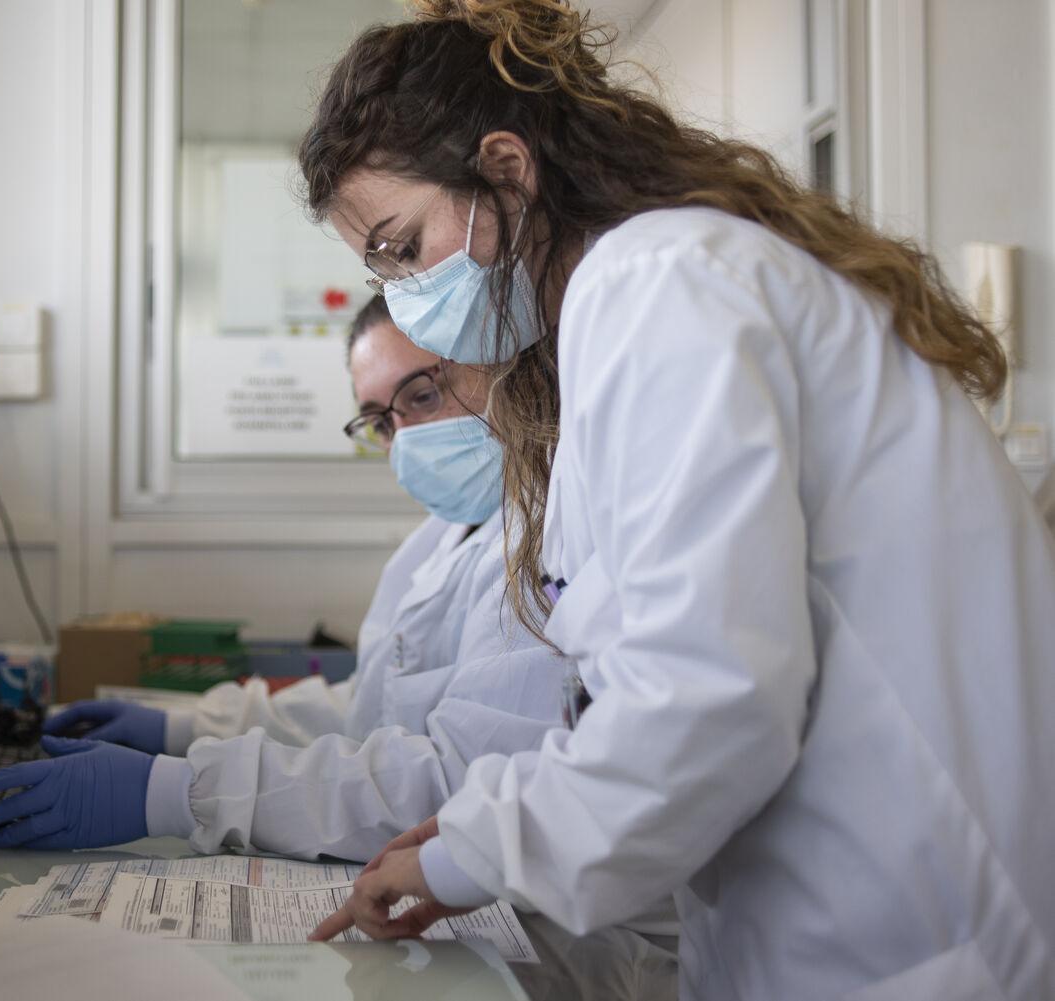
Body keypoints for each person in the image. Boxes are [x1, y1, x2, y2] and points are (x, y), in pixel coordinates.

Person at [298, 3, 1055, 1000]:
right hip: (818, 925)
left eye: (406, 247)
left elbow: (706, 696)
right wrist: (484, 825)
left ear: (509, 171)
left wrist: (469, 854)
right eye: (383, 269)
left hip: (910, 936)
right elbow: (653, 680)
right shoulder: (620, 313)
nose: (406, 296)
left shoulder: (659, 285)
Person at [0, 298, 574, 865]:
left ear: (502, 367)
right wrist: (182, 727)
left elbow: (454, 786)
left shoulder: (549, 539)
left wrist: (178, 793)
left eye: (422, 395)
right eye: (381, 422)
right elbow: (372, 709)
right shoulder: (440, 540)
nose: (405, 438)